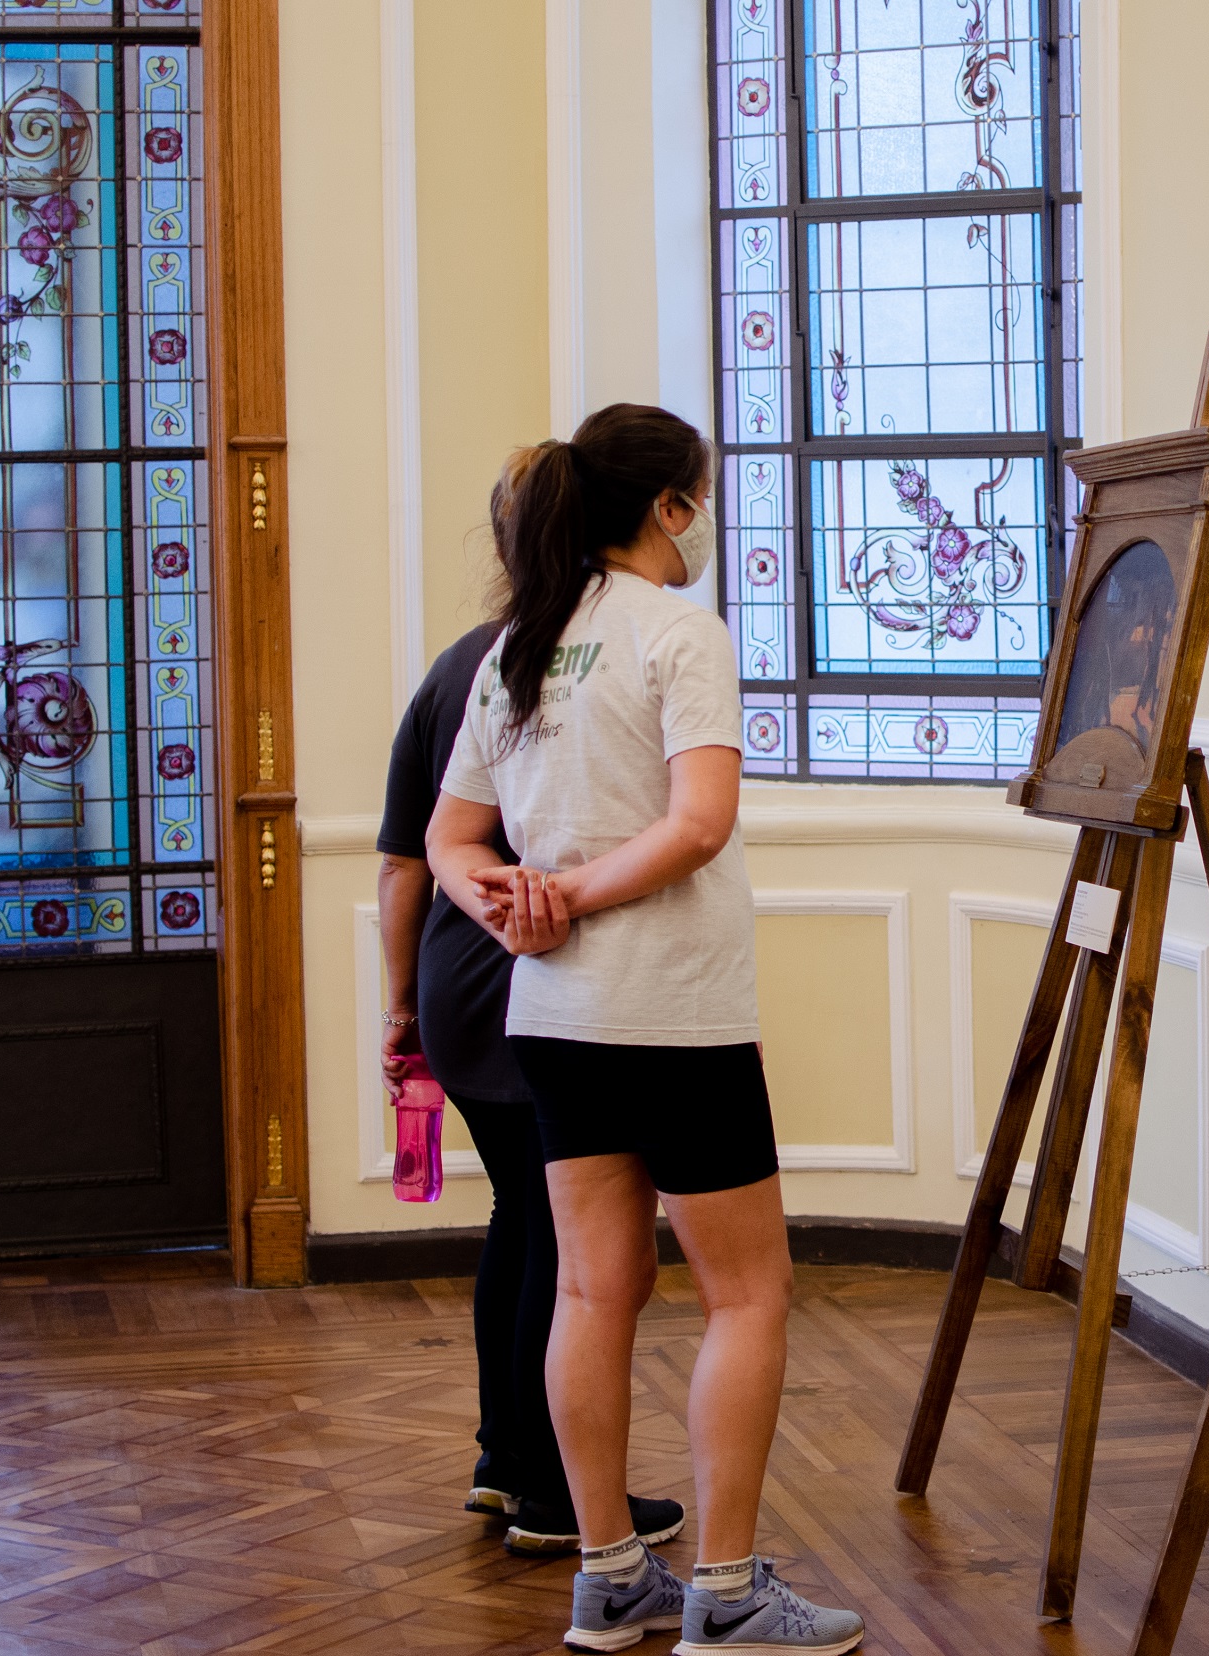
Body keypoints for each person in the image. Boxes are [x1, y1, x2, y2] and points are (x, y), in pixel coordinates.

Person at [427, 404, 864, 1656]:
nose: (703, 520)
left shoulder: (519, 646)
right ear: (668, 505)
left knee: (589, 1289)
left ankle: (612, 1580)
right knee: (749, 1296)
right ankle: (724, 1593)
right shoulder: (679, 632)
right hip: (673, 1013)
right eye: (699, 498)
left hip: (555, 1017)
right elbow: (699, 823)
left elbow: (452, 842)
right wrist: (561, 898)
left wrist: (514, 903)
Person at [377, 615, 685, 1557]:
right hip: (545, 974)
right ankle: (555, 1494)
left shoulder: (457, 664)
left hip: (453, 985)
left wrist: (403, 1009)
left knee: (521, 1215)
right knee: (567, 1240)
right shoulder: (609, 651)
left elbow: (402, 861)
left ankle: (505, 1461)